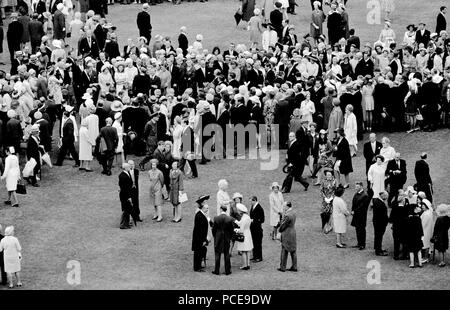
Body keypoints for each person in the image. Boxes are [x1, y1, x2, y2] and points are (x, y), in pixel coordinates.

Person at [212, 203, 234, 275]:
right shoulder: (229, 219)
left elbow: (214, 229)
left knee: (217, 254)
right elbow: (231, 230)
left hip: (218, 238)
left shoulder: (216, 218)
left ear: (221, 209)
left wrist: (215, 236)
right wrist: (230, 237)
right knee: (226, 254)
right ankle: (227, 270)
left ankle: (216, 270)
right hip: (226, 238)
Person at [192, 195, 211, 272]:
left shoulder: (201, 214)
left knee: (199, 252)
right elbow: (200, 230)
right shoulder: (200, 216)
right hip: (199, 238)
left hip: (199, 238)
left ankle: (198, 266)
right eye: (206, 208)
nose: (207, 209)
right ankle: (197, 267)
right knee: (198, 253)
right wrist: (203, 240)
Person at [277, 201, 297, 272]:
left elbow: (283, 225)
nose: (283, 207)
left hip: (287, 234)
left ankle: (282, 267)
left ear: (287, 206)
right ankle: (294, 266)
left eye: (284, 206)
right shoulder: (293, 212)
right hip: (293, 232)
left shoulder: (288, 215)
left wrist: (279, 230)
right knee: (293, 250)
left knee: (284, 249)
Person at [350, 181, 371, 250]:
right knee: (357, 229)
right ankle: (359, 243)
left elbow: (362, 207)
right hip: (356, 215)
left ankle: (362, 244)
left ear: (361, 186)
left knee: (361, 230)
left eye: (357, 187)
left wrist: (354, 211)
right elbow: (354, 203)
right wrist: (352, 210)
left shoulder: (365, 196)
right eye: (355, 186)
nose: (356, 188)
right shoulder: (357, 194)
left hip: (361, 216)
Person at [389, 190, 409, 260]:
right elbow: (392, 213)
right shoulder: (394, 203)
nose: (403, 196)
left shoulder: (406, 201)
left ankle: (405, 254)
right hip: (397, 225)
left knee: (404, 240)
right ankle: (396, 255)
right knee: (396, 240)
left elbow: (407, 211)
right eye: (401, 195)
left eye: (403, 195)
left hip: (405, 224)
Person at [234, 203, 253, 270]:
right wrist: (236, 221)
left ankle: (244, 265)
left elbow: (241, 230)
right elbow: (242, 224)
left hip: (244, 235)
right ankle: (248, 264)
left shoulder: (244, 218)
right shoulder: (247, 217)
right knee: (248, 251)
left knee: (244, 251)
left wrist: (236, 230)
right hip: (248, 233)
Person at [372, 191, 389, 256]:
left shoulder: (376, 201)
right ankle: (378, 250)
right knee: (379, 236)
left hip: (377, 222)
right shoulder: (380, 204)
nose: (387, 198)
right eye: (386, 196)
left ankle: (378, 248)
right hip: (380, 223)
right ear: (383, 196)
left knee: (378, 236)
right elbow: (382, 215)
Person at [118, 163, 134, 229]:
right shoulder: (123, 176)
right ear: (125, 168)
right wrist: (129, 197)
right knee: (126, 210)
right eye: (128, 167)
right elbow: (125, 188)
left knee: (127, 209)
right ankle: (123, 224)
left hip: (125, 194)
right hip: (125, 195)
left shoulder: (126, 174)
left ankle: (126, 223)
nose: (130, 167)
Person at [249, 196, 264, 262]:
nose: (250, 202)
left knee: (258, 243)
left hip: (257, 228)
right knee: (254, 242)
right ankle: (255, 256)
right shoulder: (253, 207)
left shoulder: (259, 208)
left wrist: (253, 220)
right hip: (253, 228)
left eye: (251, 201)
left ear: (254, 200)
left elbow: (262, 219)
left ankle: (259, 257)